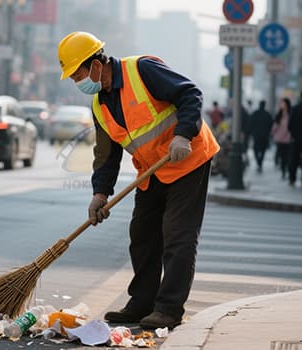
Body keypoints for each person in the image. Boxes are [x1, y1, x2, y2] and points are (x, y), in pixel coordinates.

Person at [57, 32, 219, 329]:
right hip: (153, 169)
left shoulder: (142, 70)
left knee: (177, 236)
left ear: (95, 63)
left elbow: (190, 94)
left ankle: (169, 309)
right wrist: (100, 194)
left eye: (77, 74)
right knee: (142, 234)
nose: (76, 81)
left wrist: (183, 134)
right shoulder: (99, 105)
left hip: (187, 158)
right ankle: (142, 302)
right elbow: (106, 155)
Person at [249, 100, 273, 172]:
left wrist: (250, 132)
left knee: (255, 149)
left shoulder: (255, 114)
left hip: (256, 135)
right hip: (264, 136)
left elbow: (251, 123)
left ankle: (258, 161)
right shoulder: (267, 114)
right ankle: (260, 162)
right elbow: (271, 124)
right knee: (263, 150)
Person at [272, 98, 292, 179]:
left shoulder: (291, 114)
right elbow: (274, 127)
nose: (282, 105)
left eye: (283, 104)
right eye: (281, 104)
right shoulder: (279, 115)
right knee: (282, 156)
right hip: (280, 139)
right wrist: (273, 133)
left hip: (288, 139)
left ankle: (286, 170)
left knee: (287, 156)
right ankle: (283, 171)